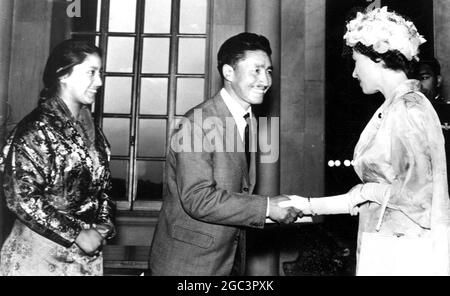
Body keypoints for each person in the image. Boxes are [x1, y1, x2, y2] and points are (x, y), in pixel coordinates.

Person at [282, 7, 450, 275]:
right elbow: (374, 193)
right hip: (387, 243)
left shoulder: (409, 108)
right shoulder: (394, 107)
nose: (354, 73)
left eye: (356, 62)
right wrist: (308, 205)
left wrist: (364, 192)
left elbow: (419, 196)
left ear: (378, 60)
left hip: (404, 253)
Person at [148, 32, 301, 276]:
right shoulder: (196, 123)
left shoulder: (247, 120)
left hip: (225, 262)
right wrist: (266, 207)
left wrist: (270, 204)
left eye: (269, 71)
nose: (266, 80)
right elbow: (198, 199)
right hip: (188, 265)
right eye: (256, 70)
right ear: (228, 73)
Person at [0, 39, 116, 276]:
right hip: (37, 257)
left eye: (100, 73)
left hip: (84, 259)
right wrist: (77, 234)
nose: (100, 81)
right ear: (63, 75)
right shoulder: (35, 129)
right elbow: (21, 197)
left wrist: (103, 224)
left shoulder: (93, 132)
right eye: (91, 73)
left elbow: (103, 189)